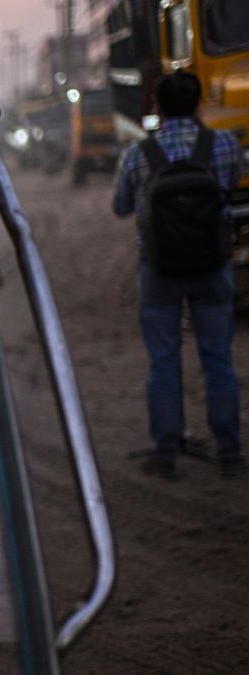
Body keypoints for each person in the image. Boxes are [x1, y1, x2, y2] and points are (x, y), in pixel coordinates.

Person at [112, 71, 244, 480]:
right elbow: (232, 183)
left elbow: (120, 208)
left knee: (164, 360)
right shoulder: (222, 144)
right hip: (212, 266)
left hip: (160, 270)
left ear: (157, 107)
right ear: (199, 102)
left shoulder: (138, 154)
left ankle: (166, 452)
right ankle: (231, 453)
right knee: (218, 359)